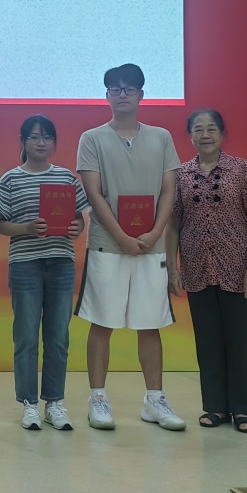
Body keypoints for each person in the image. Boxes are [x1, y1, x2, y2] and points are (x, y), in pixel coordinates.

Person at [75, 64, 183, 431]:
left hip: (151, 248)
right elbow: (94, 193)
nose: (122, 94)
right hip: (108, 246)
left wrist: (155, 233)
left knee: (150, 324)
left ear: (141, 95)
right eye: (115, 89)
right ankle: (97, 399)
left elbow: (168, 191)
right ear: (107, 96)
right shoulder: (92, 138)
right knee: (102, 322)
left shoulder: (161, 137)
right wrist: (121, 236)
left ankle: (155, 400)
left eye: (129, 88)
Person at [166, 109, 247, 433]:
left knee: (240, 340)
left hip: (238, 270)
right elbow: (173, 224)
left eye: (211, 129)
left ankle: (243, 410)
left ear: (222, 134)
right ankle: (215, 407)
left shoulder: (241, 169)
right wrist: (172, 267)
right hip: (197, 269)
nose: (205, 135)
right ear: (190, 136)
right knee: (207, 341)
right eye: (198, 129)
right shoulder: (181, 175)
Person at [0, 114, 89, 430]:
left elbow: (79, 218)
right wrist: (26, 228)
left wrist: (76, 228)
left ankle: (55, 403)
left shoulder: (66, 177)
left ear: (54, 143)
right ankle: (29, 403)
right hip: (25, 265)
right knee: (26, 336)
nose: (41, 142)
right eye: (34, 137)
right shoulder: (10, 179)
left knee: (58, 337)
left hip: (61, 263)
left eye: (47, 137)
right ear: (23, 142)